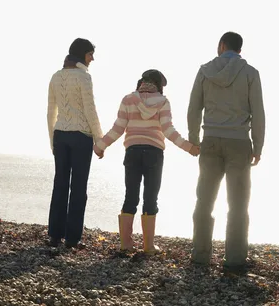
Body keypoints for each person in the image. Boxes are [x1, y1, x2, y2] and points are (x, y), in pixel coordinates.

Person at [94, 70, 199, 255]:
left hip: (132, 151)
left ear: (141, 81)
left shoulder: (128, 99)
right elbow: (168, 131)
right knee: (151, 198)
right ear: (159, 85)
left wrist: (101, 145)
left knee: (131, 196)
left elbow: (118, 128)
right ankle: (148, 246)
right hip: (154, 153)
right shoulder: (163, 102)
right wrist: (189, 147)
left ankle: (126, 244)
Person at [187, 31, 265, 274]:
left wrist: (194, 139)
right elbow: (259, 113)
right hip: (239, 142)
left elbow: (193, 108)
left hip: (210, 140)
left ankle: (200, 256)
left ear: (222, 46)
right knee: (238, 204)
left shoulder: (204, 71)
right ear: (239, 49)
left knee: (204, 200)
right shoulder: (251, 73)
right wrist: (258, 146)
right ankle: (234, 259)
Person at [47, 38, 103, 249]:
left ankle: (54, 235)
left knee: (60, 184)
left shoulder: (56, 76)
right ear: (82, 55)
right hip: (81, 136)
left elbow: (50, 111)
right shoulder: (84, 77)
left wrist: (52, 140)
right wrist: (99, 139)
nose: (92, 58)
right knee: (78, 187)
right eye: (90, 54)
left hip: (60, 135)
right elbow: (90, 110)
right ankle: (72, 239)